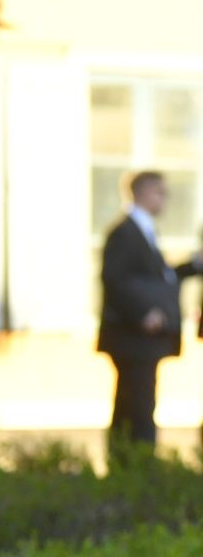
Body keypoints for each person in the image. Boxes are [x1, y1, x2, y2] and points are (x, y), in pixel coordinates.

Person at [97, 170, 202, 447]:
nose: (164, 200)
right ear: (143, 192)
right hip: (134, 338)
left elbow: (158, 277)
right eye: (161, 193)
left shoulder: (144, 230)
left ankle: (128, 467)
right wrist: (143, 313)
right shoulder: (125, 231)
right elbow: (114, 278)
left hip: (143, 339)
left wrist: (192, 265)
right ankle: (139, 469)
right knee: (137, 407)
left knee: (133, 404)